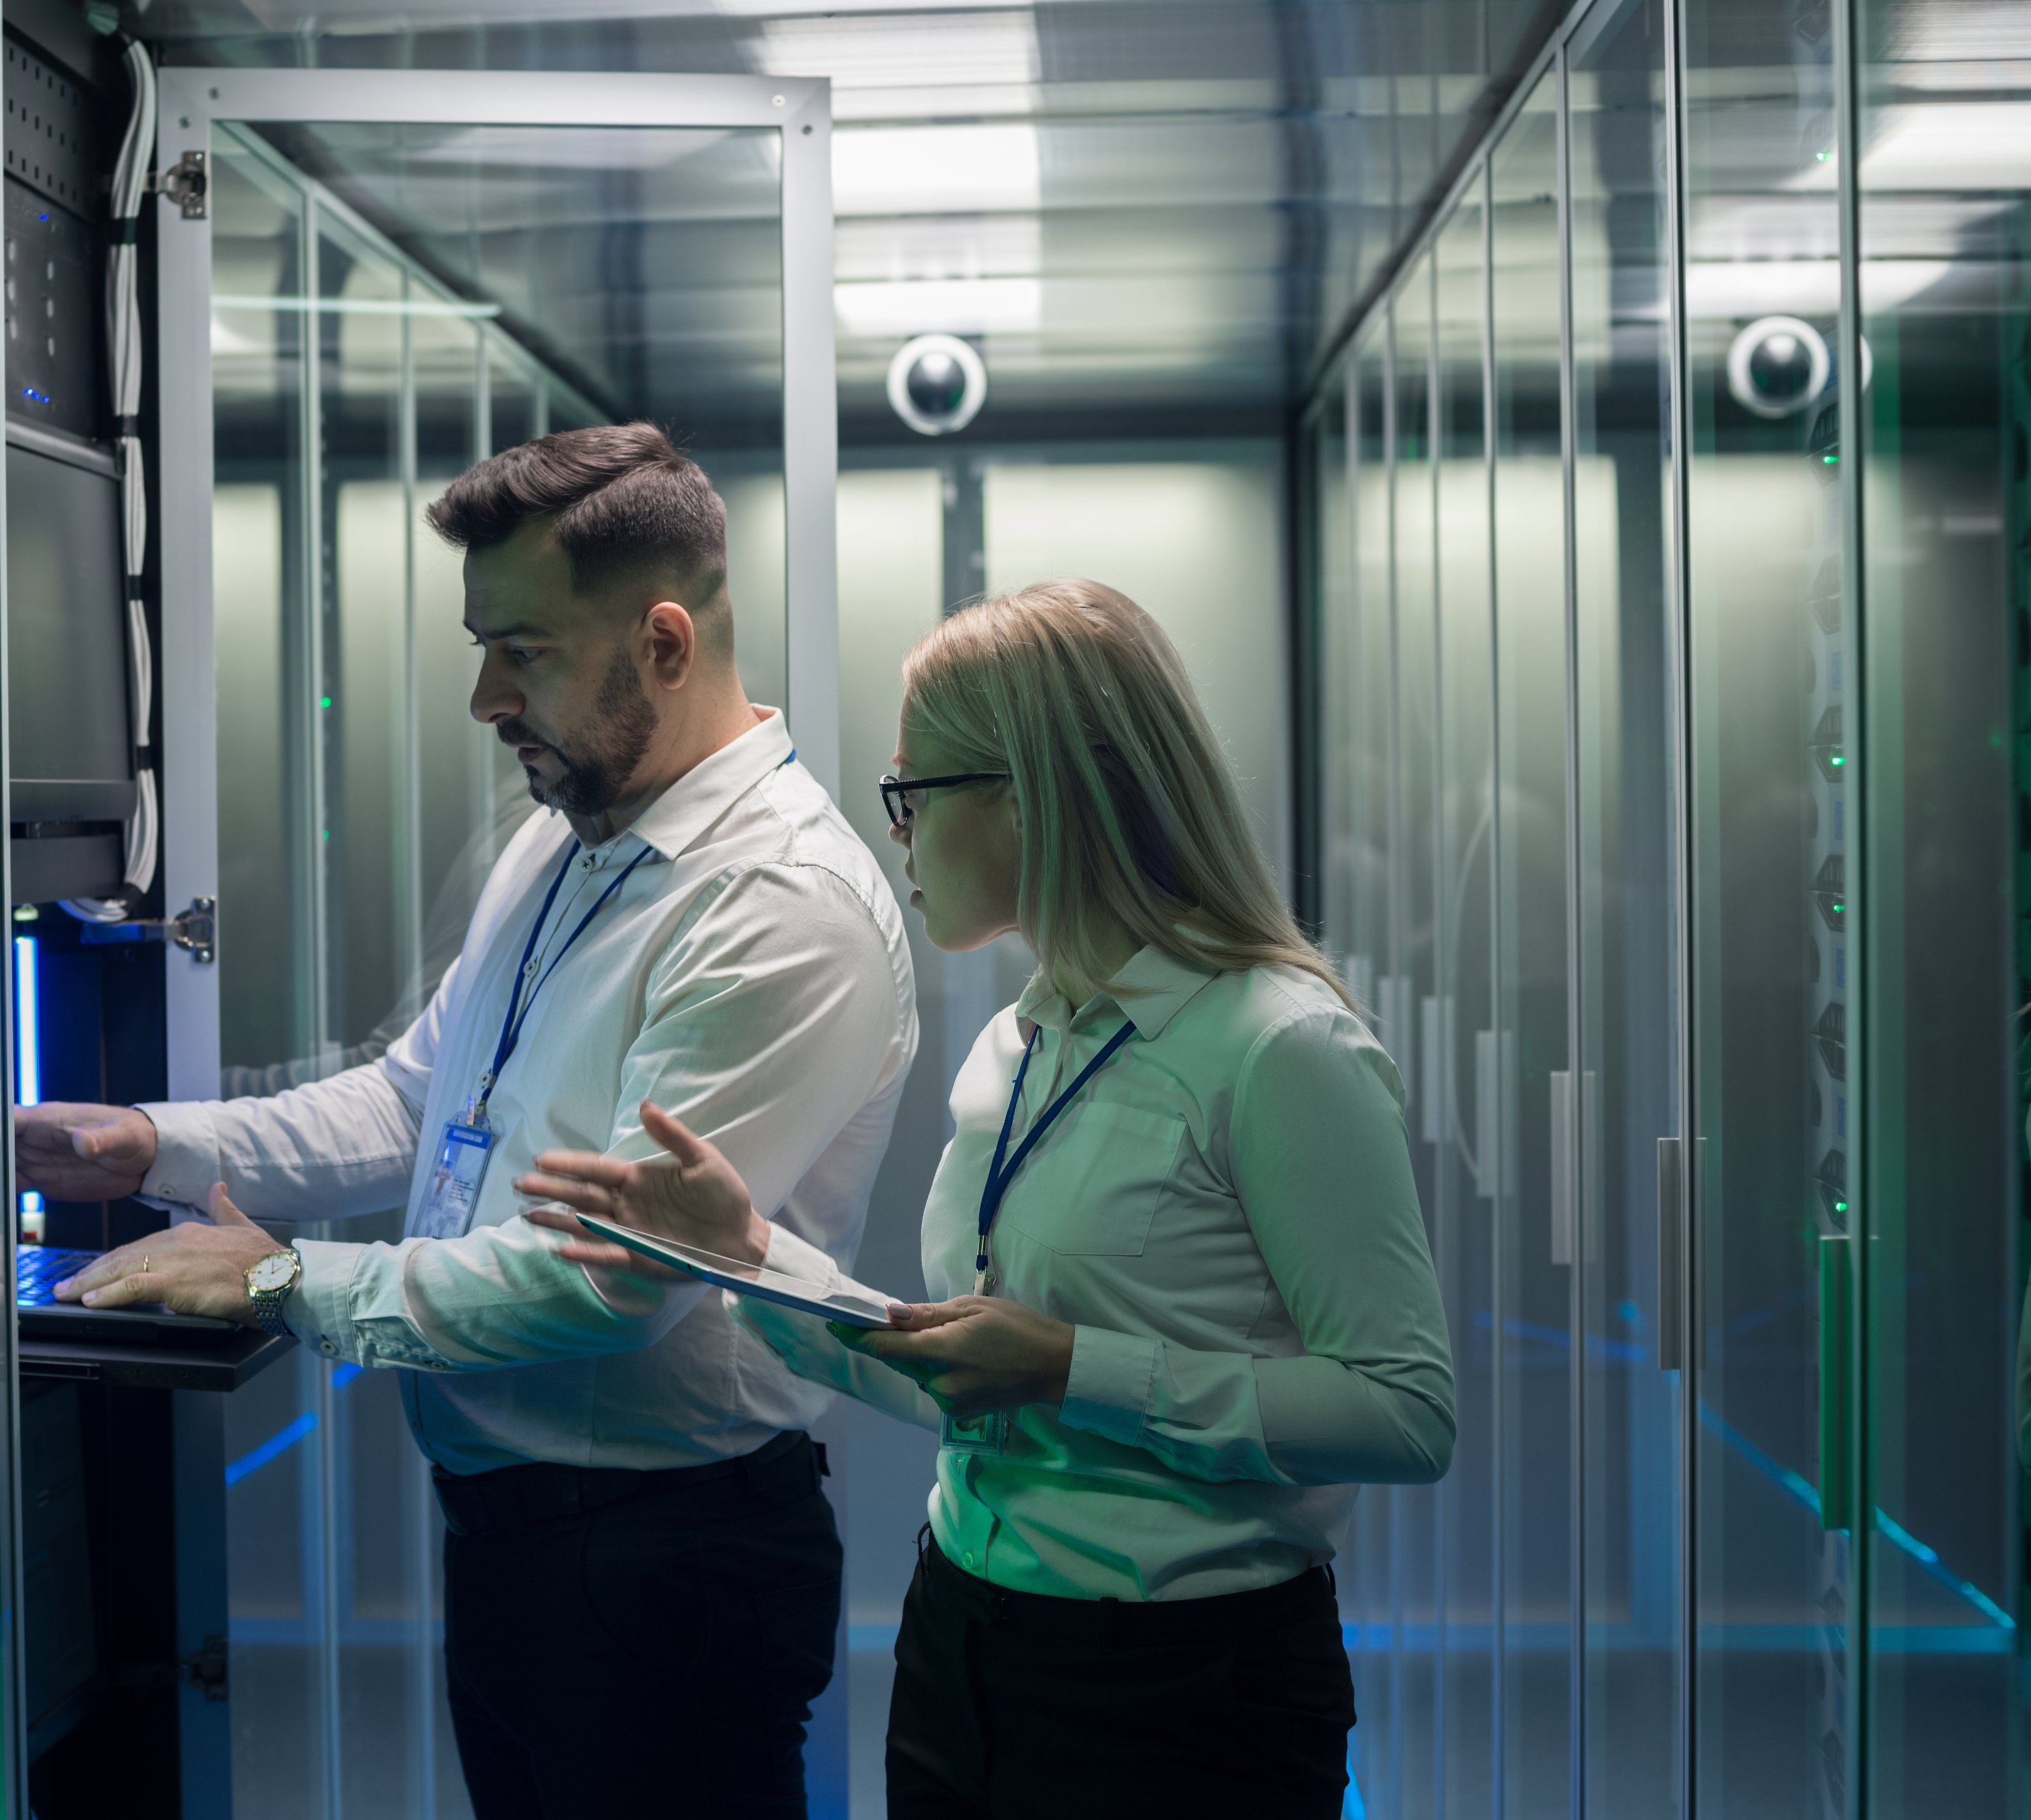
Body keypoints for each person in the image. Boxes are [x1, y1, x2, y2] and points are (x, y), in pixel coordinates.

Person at [17, 424, 918, 1819]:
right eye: (480, 643)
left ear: (667, 643)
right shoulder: (562, 845)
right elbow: (414, 1096)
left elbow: (609, 1290)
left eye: (525, 649)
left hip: (667, 1567)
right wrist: (162, 1144)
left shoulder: (779, 906)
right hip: (521, 1543)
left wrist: (280, 1278)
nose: (486, 696)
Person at [521, 578, 1455, 1819]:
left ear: (1030, 796)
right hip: (962, 1642)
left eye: (913, 793)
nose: (894, 832)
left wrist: (1078, 1367)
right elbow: (971, 1382)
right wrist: (747, 1255)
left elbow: (1405, 1414)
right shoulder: (1019, 1043)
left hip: (1187, 1696)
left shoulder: (1281, 1048)